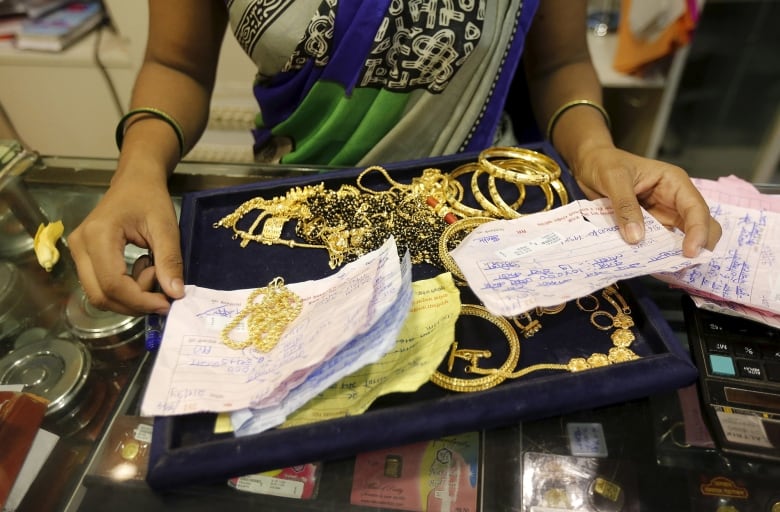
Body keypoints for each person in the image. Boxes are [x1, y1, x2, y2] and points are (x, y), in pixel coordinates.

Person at [68, 0, 721, 316]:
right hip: (302, 214)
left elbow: (560, 63)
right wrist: (138, 171)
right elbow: (174, 62)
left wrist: (598, 150)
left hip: (478, 220)